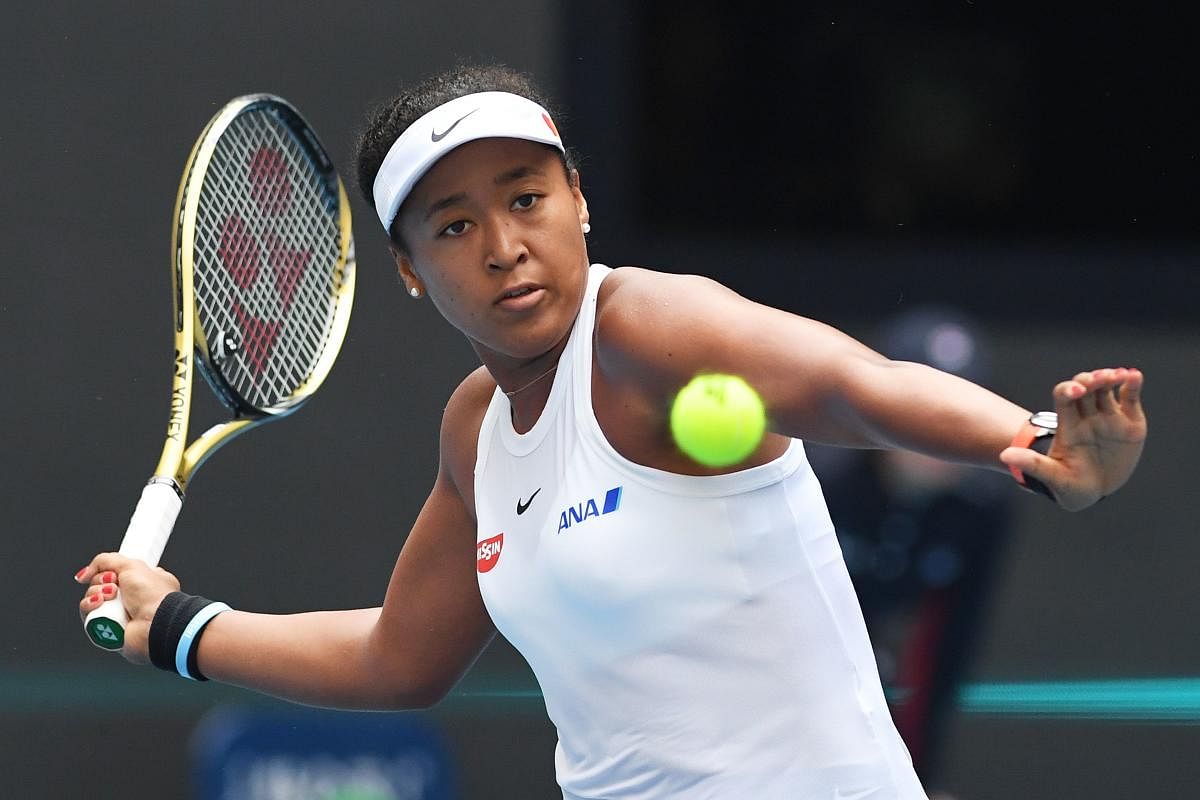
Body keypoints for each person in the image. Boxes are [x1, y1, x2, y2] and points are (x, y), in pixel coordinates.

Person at [77, 65, 1147, 800]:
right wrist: (180, 625)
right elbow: (400, 655)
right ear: (409, 269)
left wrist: (1040, 440)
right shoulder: (477, 431)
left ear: (578, 198)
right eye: (453, 225)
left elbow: (852, 382)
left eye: (526, 196)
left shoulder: (644, 326)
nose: (504, 245)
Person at [810, 307, 1015, 789]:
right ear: (877, 409)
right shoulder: (816, 473)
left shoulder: (984, 508)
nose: (941, 432)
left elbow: (946, 653)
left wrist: (916, 782)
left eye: (960, 409)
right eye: (922, 410)